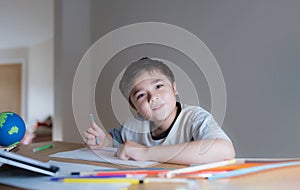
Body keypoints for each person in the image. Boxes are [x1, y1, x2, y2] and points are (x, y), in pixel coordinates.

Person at [84, 57, 235, 165]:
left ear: (174, 88)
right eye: (141, 95)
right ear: (135, 108)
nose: (153, 97)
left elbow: (225, 151)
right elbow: (116, 142)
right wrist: (104, 140)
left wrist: (146, 153)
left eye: (159, 86)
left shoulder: (195, 118)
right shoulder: (134, 126)